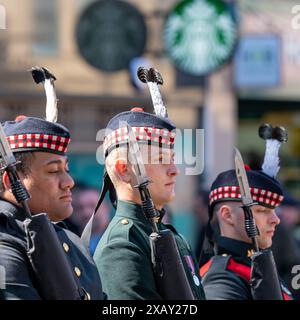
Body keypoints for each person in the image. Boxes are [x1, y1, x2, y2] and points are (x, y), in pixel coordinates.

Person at [93, 106, 205, 300]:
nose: (174, 170)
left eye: (172, 159)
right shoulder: (122, 245)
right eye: (161, 159)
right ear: (124, 170)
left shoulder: (176, 239)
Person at [0, 116, 103, 300]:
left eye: (67, 169)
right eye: (54, 171)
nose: (69, 182)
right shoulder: (5, 246)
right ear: (11, 182)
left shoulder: (72, 240)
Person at [200, 167, 293, 300]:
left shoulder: (254, 266)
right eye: (262, 210)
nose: (276, 220)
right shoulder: (222, 278)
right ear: (227, 215)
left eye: (273, 210)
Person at [65, 184, 111, 255]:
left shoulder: (120, 236)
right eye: (78, 208)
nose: (86, 213)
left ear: (106, 207)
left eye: (92, 205)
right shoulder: (66, 243)